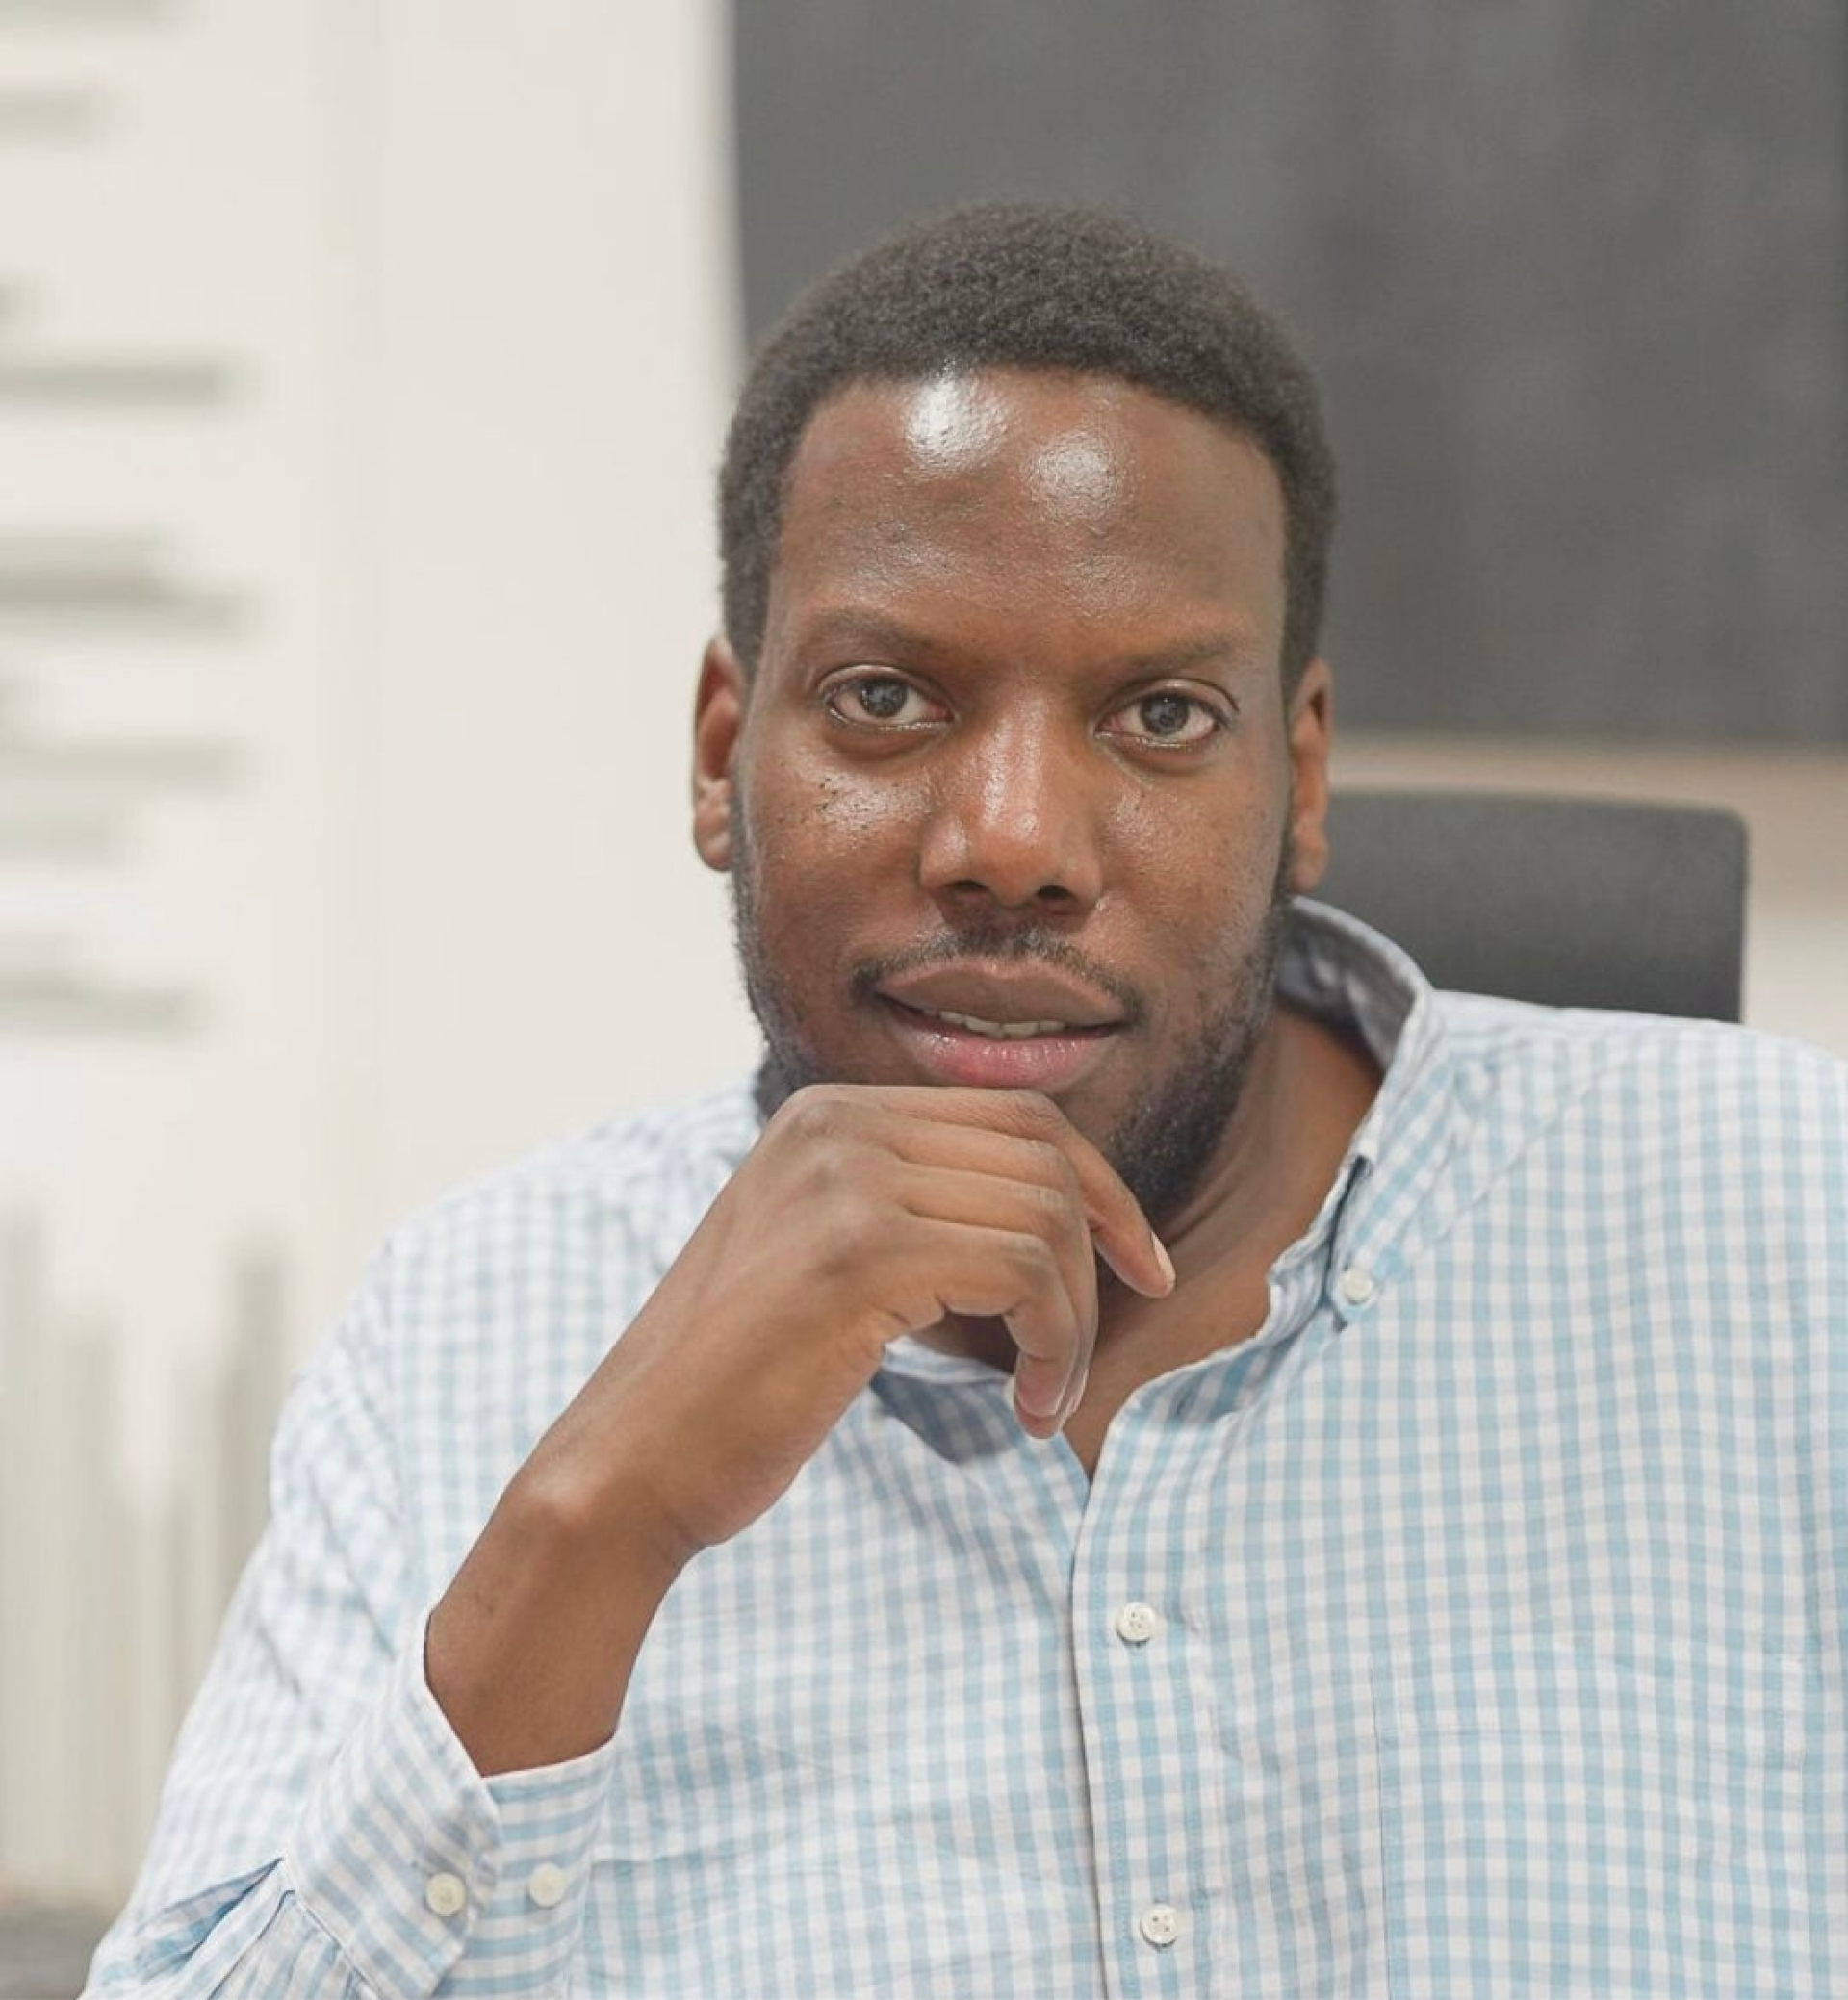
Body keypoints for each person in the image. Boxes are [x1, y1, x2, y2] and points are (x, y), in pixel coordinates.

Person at [88, 205, 1844, 1999]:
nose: (1013, 841)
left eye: (1161, 715)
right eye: (886, 698)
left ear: (1300, 777)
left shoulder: (1790, 1229)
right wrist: (591, 1528)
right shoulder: (466, 1338)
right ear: (722, 751)